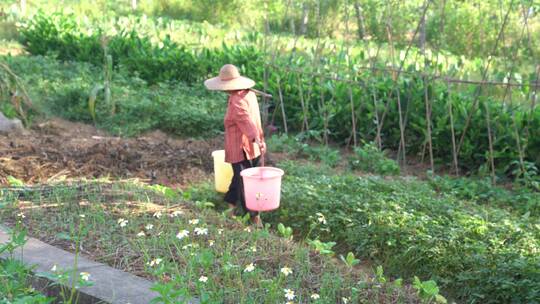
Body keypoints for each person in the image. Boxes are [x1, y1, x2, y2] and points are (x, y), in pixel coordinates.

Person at [204, 64, 266, 225]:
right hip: (251, 146)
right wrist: (257, 139)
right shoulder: (249, 94)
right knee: (238, 177)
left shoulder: (236, 100)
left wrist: (255, 137)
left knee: (244, 180)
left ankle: (254, 217)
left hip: (241, 147)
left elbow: (244, 119)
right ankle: (230, 208)